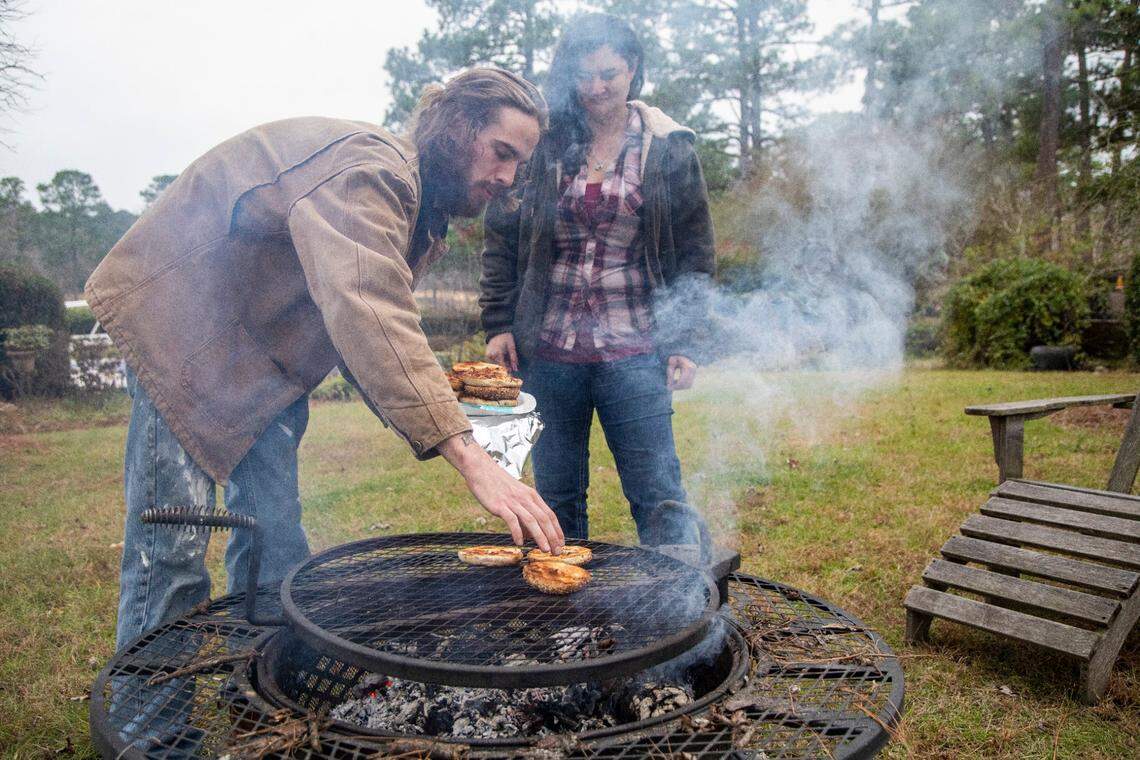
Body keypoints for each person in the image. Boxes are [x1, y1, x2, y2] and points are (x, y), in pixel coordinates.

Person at [87, 67, 565, 651]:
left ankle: (264, 686)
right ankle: (149, 736)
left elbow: (361, 340)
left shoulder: (418, 211)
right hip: (180, 335)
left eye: (520, 163)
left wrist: (451, 424)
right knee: (172, 551)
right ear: (457, 128)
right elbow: (366, 308)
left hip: (259, 360)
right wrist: (468, 458)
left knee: (275, 539)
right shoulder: (372, 171)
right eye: (502, 153)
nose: (508, 178)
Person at [479, 15, 715, 543]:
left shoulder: (668, 146)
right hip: (550, 354)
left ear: (633, 69)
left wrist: (687, 341)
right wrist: (498, 322)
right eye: (584, 76)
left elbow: (695, 254)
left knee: (658, 493)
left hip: (636, 351)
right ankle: (563, 612)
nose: (596, 87)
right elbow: (503, 237)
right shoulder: (543, 147)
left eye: (609, 73)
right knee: (557, 498)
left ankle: (681, 602)